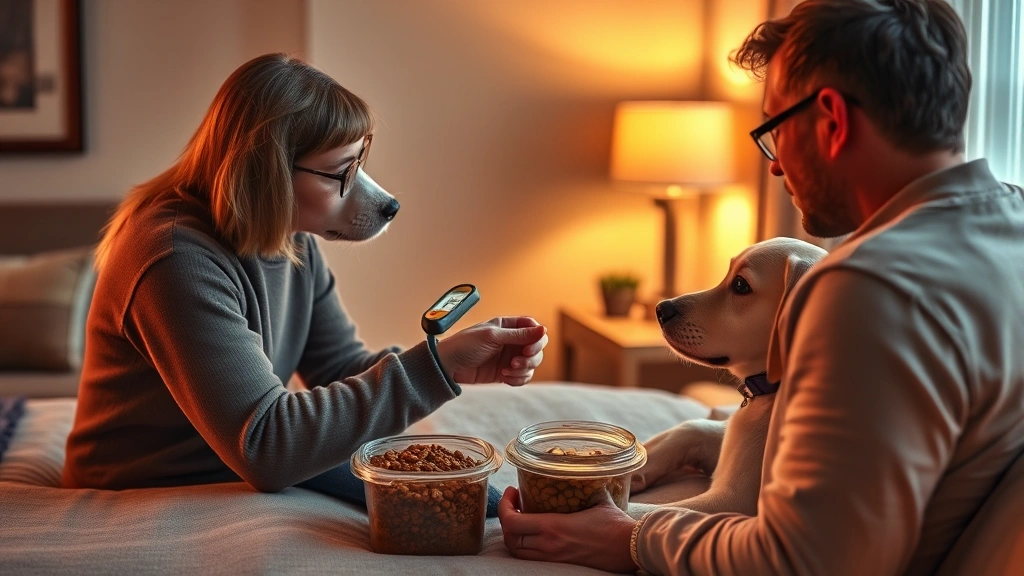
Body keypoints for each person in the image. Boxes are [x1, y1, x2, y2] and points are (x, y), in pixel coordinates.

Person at [497, 1, 1024, 573]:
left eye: (774, 129)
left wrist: (627, 540)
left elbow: (802, 560)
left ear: (832, 120)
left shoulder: (868, 289)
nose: (773, 166)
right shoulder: (1011, 225)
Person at [62, 54, 548, 511]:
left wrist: (450, 365)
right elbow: (267, 447)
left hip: (227, 463)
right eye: (342, 172)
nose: (379, 197)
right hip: (143, 489)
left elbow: (338, 367)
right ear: (267, 172)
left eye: (360, 163)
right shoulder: (173, 258)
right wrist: (432, 368)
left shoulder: (287, 237)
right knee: (474, 502)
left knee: (477, 496)